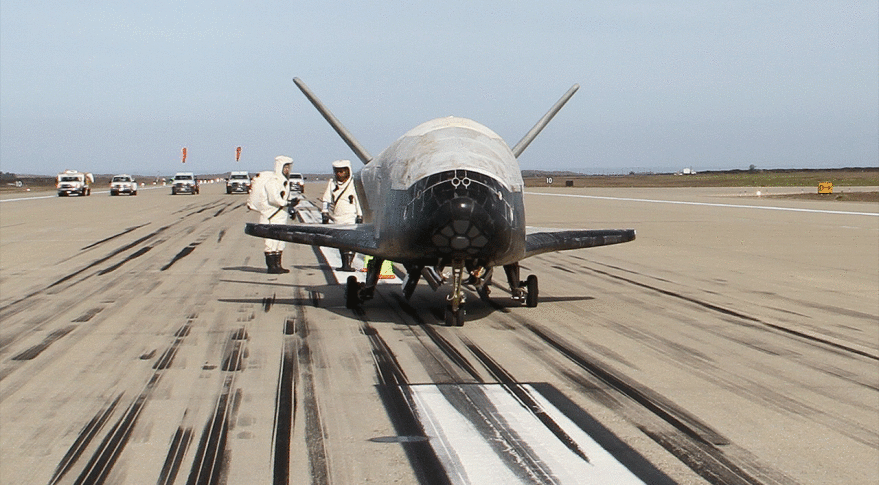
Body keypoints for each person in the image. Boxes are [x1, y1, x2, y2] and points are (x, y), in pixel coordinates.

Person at [249, 155, 293, 274]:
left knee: (280, 242)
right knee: (270, 242)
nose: (287, 170)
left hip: (281, 216)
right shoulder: (272, 182)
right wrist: (287, 203)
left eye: (288, 168)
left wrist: (290, 206)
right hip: (271, 216)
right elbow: (274, 199)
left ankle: (278, 265)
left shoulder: (285, 182)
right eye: (285, 167)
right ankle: (271, 267)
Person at [321, 159, 362, 271]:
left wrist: (359, 215)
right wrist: (324, 212)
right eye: (337, 171)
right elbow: (327, 198)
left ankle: (348, 264)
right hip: (337, 217)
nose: (339, 174)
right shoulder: (332, 183)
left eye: (342, 171)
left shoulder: (353, 184)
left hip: (350, 216)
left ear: (348, 171)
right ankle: (344, 264)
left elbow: (358, 200)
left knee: (350, 241)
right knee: (340, 241)